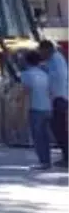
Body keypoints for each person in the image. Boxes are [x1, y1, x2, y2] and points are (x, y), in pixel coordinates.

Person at [21, 49, 54, 170]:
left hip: (35, 108)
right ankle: (47, 161)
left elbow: (26, 93)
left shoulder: (26, 74)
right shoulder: (45, 74)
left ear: (26, 61)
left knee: (38, 138)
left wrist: (23, 111)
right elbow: (50, 91)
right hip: (47, 108)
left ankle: (43, 162)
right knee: (45, 137)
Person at [38, 39, 69, 167]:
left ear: (47, 49)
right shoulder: (53, 60)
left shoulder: (56, 60)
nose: (40, 55)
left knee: (60, 129)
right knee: (58, 129)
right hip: (58, 98)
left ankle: (67, 158)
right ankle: (66, 156)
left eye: (41, 51)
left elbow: (58, 79)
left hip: (59, 99)